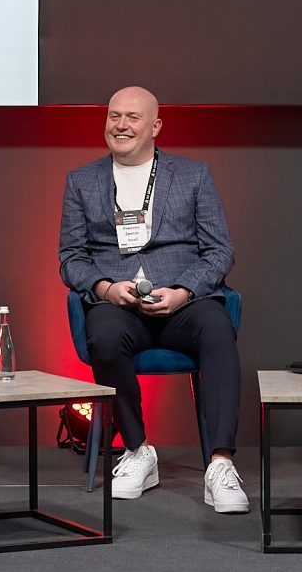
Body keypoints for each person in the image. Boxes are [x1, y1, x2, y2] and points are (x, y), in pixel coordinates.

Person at [58, 86, 249, 514]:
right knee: (104, 334)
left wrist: (183, 292)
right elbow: (71, 257)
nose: (120, 125)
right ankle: (138, 450)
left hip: (183, 303)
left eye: (133, 117)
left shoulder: (193, 175)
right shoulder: (81, 180)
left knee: (217, 328)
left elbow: (219, 251)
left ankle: (221, 464)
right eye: (114, 116)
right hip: (119, 305)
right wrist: (105, 288)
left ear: (155, 126)